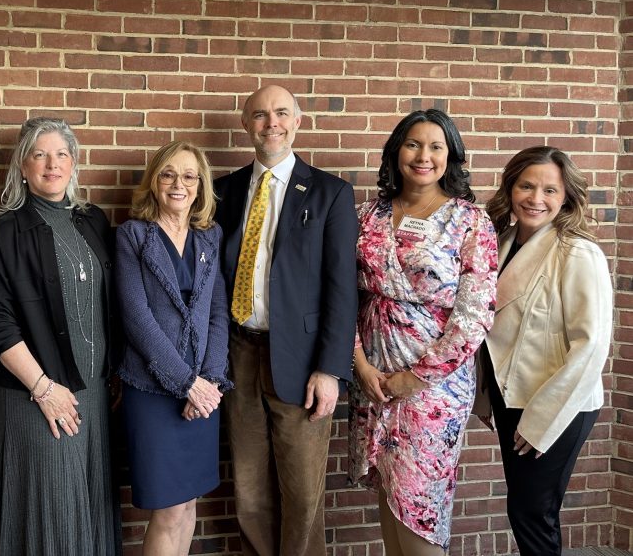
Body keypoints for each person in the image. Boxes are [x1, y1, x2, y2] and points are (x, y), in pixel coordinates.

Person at [214, 84, 359, 556]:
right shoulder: (224, 191)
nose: (270, 123)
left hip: (301, 362)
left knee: (302, 495)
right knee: (250, 492)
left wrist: (331, 369)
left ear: (298, 122)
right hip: (240, 355)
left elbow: (342, 288)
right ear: (245, 125)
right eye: (259, 114)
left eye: (281, 113)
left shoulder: (331, 193)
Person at [0, 117, 121, 555]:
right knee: (48, 513)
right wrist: (43, 388)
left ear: (74, 164)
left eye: (61, 154)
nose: (51, 164)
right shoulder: (4, 233)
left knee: (86, 510)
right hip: (32, 393)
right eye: (39, 154)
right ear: (22, 165)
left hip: (91, 395)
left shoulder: (93, 222)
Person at [348, 109, 497, 556]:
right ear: (396, 152)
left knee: (420, 507)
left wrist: (414, 378)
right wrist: (360, 365)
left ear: (450, 156)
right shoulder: (364, 216)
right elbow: (340, 296)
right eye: (413, 144)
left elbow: (475, 315)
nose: (423, 155)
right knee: (390, 497)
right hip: (372, 375)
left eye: (436, 146)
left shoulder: (471, 222)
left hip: (433, 387)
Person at [475, 146, 612, 556]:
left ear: (566, 197)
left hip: (558, 403)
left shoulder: (578, 252)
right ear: (510, 188)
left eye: (550, 190)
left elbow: (591, 348)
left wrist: (542, 421)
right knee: (522, 507)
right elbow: (491, 327)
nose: (537, 198)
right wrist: (486, 393)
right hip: (510, 395)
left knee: (534, 512)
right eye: (527, 186)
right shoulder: (500, 243)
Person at [116, 141, 232, 555]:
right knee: (166, 512)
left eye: (187, 176)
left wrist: (211, 381)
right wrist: (187, 384)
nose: (177, 184)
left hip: (204, 395)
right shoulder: (133, 235)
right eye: (167, 174)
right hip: (152, 392)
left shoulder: (210, 236)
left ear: (200, 186)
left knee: (188, 507)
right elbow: (136, 318)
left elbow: (218, 311)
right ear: (154, 182)